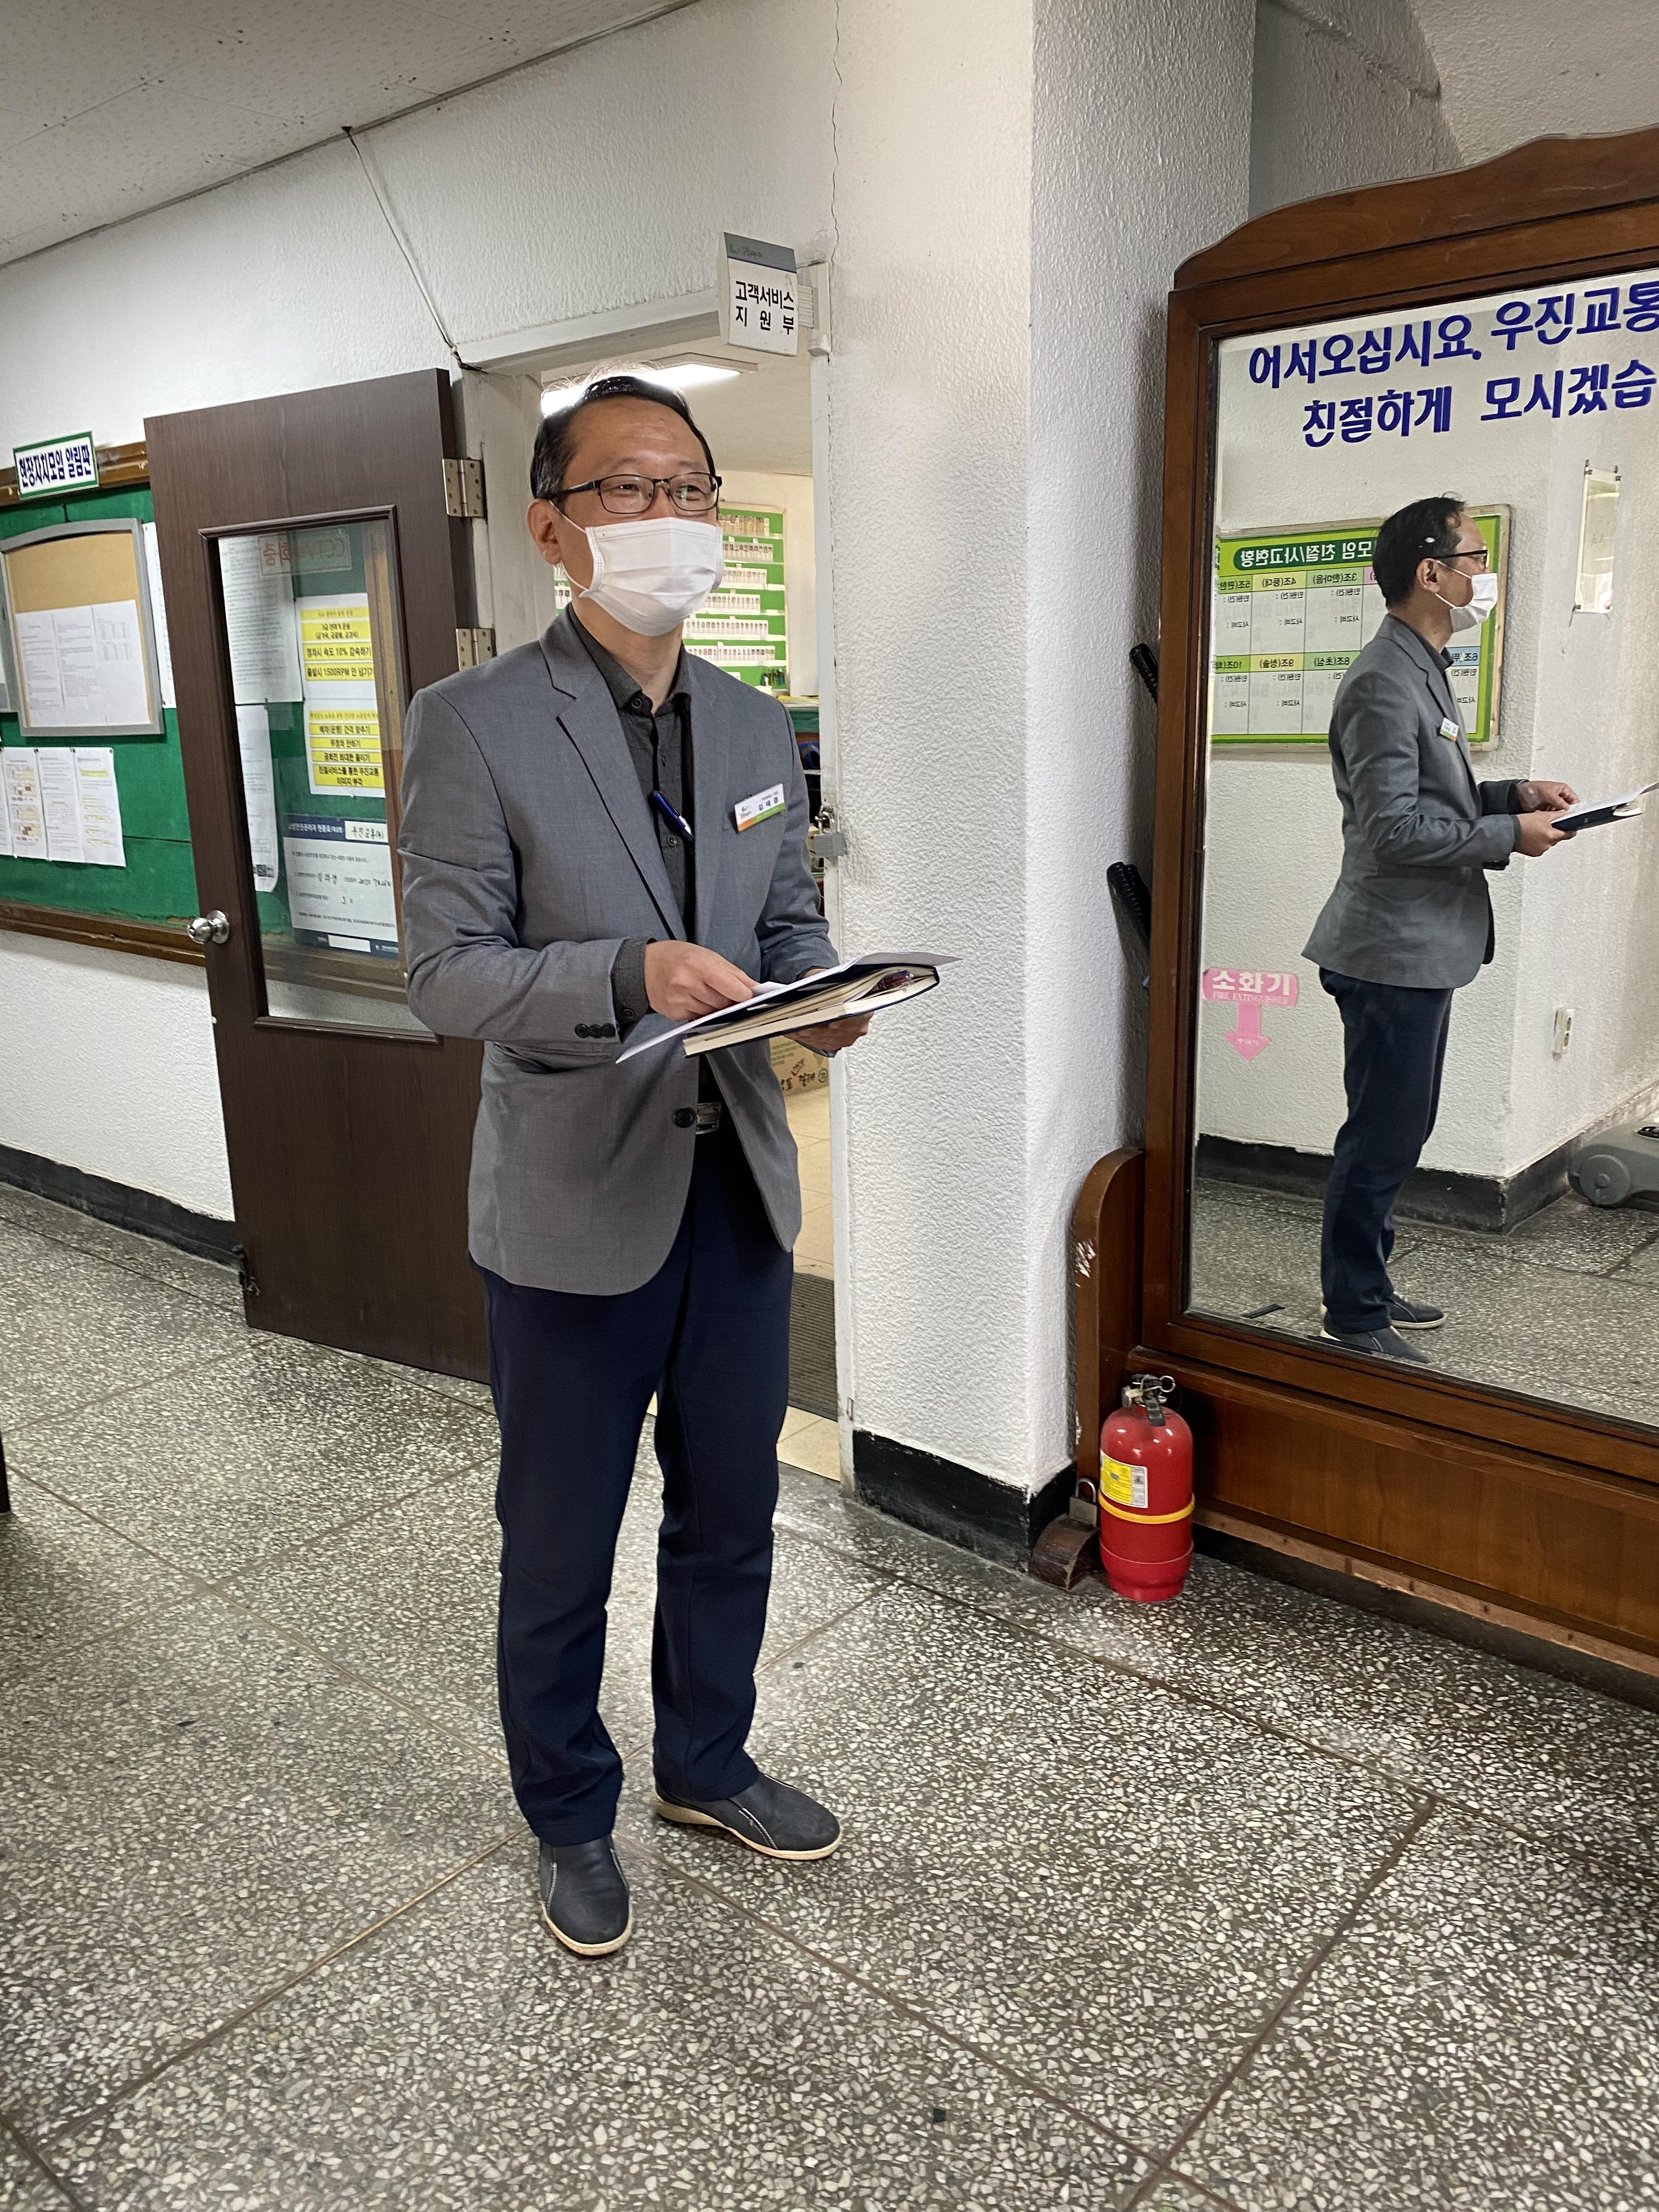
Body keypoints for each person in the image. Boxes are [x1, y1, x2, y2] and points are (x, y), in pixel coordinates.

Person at [397, 373, 868, 1956]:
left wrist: (824, 994)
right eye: (628, 488)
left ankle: (706, 1763)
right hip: (571, 1206)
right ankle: (567, 1813)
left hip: (737, 1196)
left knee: (731, 1512)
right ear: (552, 527)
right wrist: (625, 975)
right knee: (561, 1543)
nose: (671, 516)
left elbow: (783, 917)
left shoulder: (749, 719)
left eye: (691, 488)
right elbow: (446, 975)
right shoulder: (472, 722)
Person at [1304, 494, 1575, 1363]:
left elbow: (1432, 798)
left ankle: (1370, 1286)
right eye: (1473, 559)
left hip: (1420, 949)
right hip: (1388, 952)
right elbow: (1392, 830)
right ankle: (1352, 1315)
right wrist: (1509, 835)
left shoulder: (1421, 664)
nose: (1483, 576)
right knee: (1382, 1137)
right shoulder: (1383, 680)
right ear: (1431, 572)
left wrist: (1513, 796)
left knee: (1398, 1130)